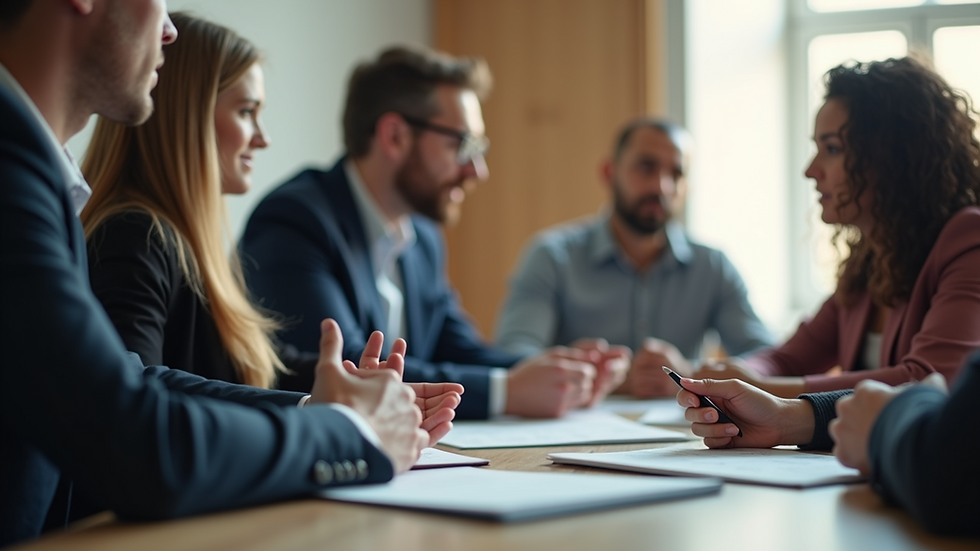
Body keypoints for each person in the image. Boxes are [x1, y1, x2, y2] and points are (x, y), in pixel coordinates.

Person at [0, 1, 454, 545]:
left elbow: (132, 378)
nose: (168, 30)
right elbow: (130, 438)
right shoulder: (20, 178)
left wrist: (319, 408)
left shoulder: (38, 177)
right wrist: (351, 433)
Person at [241, 45, 628, 420]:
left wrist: (563, 371)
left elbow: (460, 349)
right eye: (462, 145)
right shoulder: (295, 220)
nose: (477, 171)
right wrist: (506, 391)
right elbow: (346, 373)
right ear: (394, 136)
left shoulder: (422, 237)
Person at [695, 56, 980, 398]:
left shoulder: (968, 239)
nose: (811, 170)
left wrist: (762, 389)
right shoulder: (871, 259)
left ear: (892, 159)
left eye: (832, 148)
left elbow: (929, 379)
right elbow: (788, 358)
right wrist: (744, 373)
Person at [495, 118, 773, 398]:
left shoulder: (712, 267)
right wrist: (597, 375)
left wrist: (689, 373)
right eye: (646, 167)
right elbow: (514, 355)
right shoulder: (552, 256)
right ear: (609, 172)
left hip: (686, 435)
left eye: (676, 174)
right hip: (573, 427)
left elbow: (768, 359)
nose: (661, 186)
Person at [674, 350, 979, 537]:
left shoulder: (962, 249)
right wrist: (787, 418)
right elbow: (787, 354)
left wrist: (884, 424)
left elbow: (953, 460)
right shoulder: (866, 266)